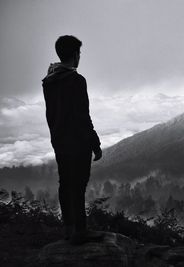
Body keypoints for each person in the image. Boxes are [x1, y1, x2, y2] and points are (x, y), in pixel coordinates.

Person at [42, 35, 103, 245]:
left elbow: (52, 114)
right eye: (79, 53)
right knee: (78, 186)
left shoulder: (49, 81)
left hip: (59, 141)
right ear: (75, 55)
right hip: (78, 142)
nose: (80, 57)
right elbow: (82, 116)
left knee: (65, 183)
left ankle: (69, 229)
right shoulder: (76, 80)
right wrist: (95, 143)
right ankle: (80, 231)